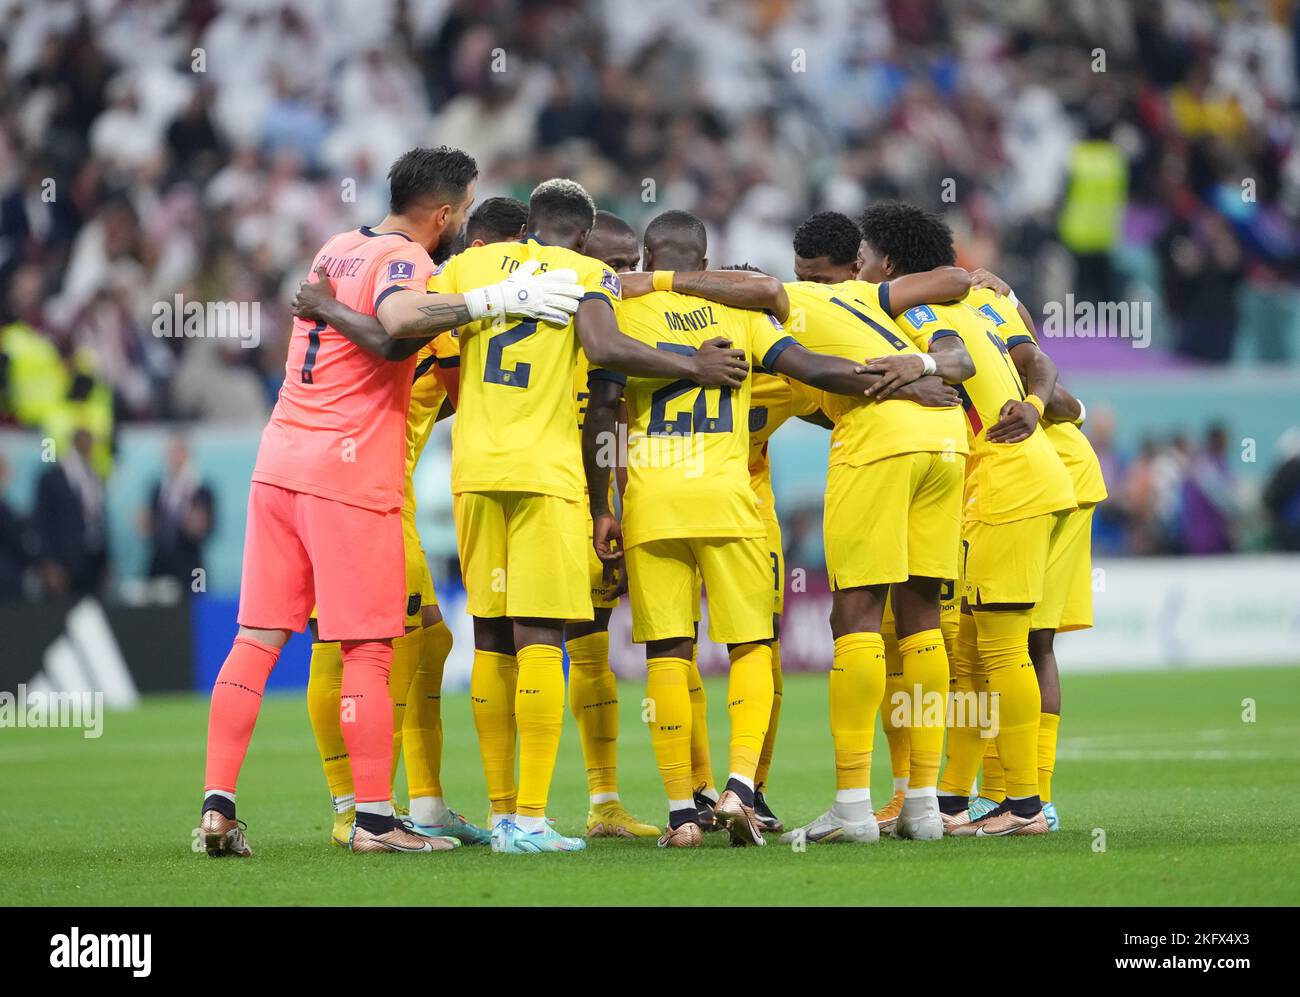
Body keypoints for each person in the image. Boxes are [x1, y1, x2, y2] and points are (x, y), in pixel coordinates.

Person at [198, 147, 587, 857]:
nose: (463, 222)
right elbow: (399, 321)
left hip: (278, 462)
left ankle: (217, 807)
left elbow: (378, 337)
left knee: (256, 638)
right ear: (443, 212)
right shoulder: (407, 261)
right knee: (371, 650)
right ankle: (376, 818)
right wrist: (496, 299)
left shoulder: (336, 248)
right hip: (348, 477)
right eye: (463, 210)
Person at [587, 209, 961, 848]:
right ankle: (747, 787)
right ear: (708, 263)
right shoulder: (750, 317)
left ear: (648, 260)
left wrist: (604, 506)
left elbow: (602, 408)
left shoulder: (618, 314)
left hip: (652, 500)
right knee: (756, 648)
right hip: (736, 503)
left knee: (668, 653)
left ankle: (683, 810)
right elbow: (818, 375)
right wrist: (907, 380)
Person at [426, 181, 750, 854]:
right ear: (586, 237)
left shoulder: (472, 267)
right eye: (618, 259)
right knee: (553, 635)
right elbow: (605, 366)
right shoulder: (592, 285)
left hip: (477, 473)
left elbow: (414, 321)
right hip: (554, 479)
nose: (626, 272)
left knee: (496, 635)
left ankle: (537, 807)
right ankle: (534, 817)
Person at [288, 196, 532, 849]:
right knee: (374, 646)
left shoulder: (367, 270)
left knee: (422, 640)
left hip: (323, 475)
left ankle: (415, 802)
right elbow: (464, 393)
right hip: (367, 494)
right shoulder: (435, 304)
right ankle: (364, 809)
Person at [856, 201, 1076, 837]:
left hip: (1004, 485)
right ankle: (960, 798)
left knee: (1005, 649)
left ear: (889, 263)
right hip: (1025, 476)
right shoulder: (988, 302)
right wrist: (1035, 403)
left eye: (865, 257)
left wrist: (918, 364)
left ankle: (1027, 807)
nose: (860, 269)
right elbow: (1039, 364)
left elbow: (957, 360)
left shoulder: (916, 313)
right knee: (983, 651)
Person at [143, 438, 214, 589]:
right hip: (161, 563)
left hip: (191, 564)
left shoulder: (201, 490)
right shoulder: (159, 489)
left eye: (178, 453)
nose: (174, 458)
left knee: (195, 600)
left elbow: (210, 527)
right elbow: (153, 523)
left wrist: (198, 528)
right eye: (171, 454)